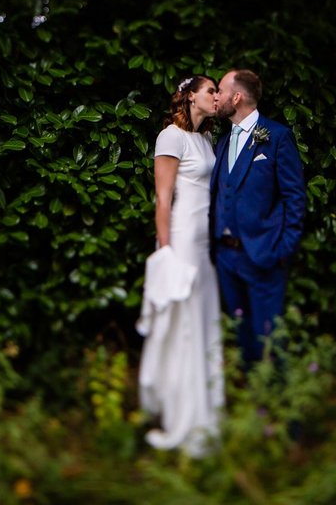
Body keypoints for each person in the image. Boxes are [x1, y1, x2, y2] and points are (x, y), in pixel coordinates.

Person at [136, 75, 224, 457]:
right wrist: (167, 252)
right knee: (184, 326)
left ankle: (205, 413)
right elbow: (162, 199)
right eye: (211, 91)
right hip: (183, 242)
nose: (217, 97)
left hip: (204, 245)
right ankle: (180, 415)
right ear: (191, 96)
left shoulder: (205, 140)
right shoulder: (170, 136)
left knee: (203, 324)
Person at [210, 69, 306, 365]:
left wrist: (282, 250)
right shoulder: (223, 142)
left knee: (271, 336)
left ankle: (283, 403)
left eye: (221, 91)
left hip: (263, 254)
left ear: (236, 97)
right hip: (226, 257)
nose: (216, 98)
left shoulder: (277, 137)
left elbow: (295, 198)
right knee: (244, 339)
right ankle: (255, 403)